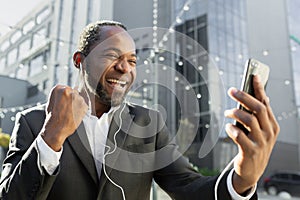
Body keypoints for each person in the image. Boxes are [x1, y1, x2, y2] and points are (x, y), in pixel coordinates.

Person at [0, 20, 279, 200]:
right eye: (113, 56)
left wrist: (243, 178)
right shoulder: (33, 122)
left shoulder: (149, 123)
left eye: (132, 60)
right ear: (79, 61)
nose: (125, 68)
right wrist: (51, 138)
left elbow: (188, 186)